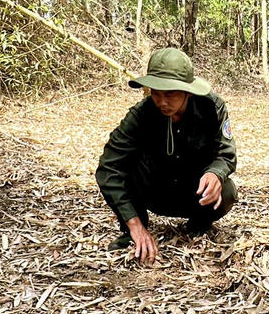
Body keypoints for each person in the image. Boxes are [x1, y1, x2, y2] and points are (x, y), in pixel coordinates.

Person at [96, 48, 237, 264]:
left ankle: (199, 224)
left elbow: (226, 154)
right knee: (124, 167)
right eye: (155, 93)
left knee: (227, 190)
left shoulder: (212, 108)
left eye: (170, 94)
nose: (162, 102)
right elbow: (108, 168)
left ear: (188, 92)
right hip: (153, 191)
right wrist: (134, 224)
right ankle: (132, 231)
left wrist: (215, 174)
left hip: (194, 194)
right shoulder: (141, 114)